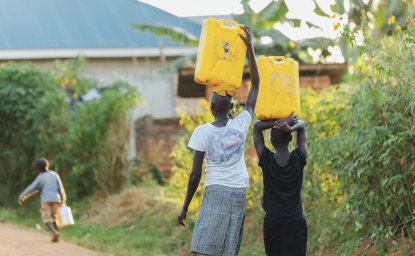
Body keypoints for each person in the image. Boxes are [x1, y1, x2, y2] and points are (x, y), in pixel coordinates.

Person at [177, 24, 296, 256]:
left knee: (201, 248)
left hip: (216, 191)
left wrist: (185, 206)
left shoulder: (202, 131)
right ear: (232, 107)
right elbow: (257, 85)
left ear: (211, 107)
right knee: (226, 250)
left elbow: (195, 174)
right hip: (238, 192)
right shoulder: (241, 123)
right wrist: (250, 46)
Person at [253, 115, 308, 256]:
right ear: (291, 139)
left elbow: (257, 126)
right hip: (296, 222)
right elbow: (301, 125)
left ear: (271, 141)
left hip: (273, 223)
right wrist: (290, 126)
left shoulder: (266, 159)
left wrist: (278, 123)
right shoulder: (299, 157)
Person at [18, 158, 66, 243]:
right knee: (54, 217)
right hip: (55, 199)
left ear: (38, 169)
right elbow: (60, 187)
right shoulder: (54, 174)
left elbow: (31, 188)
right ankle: (56, 235)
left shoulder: (40, 177)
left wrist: (22, 197)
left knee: (46, 217)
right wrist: (63, 198)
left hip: (46, 200)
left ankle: (54, 232)